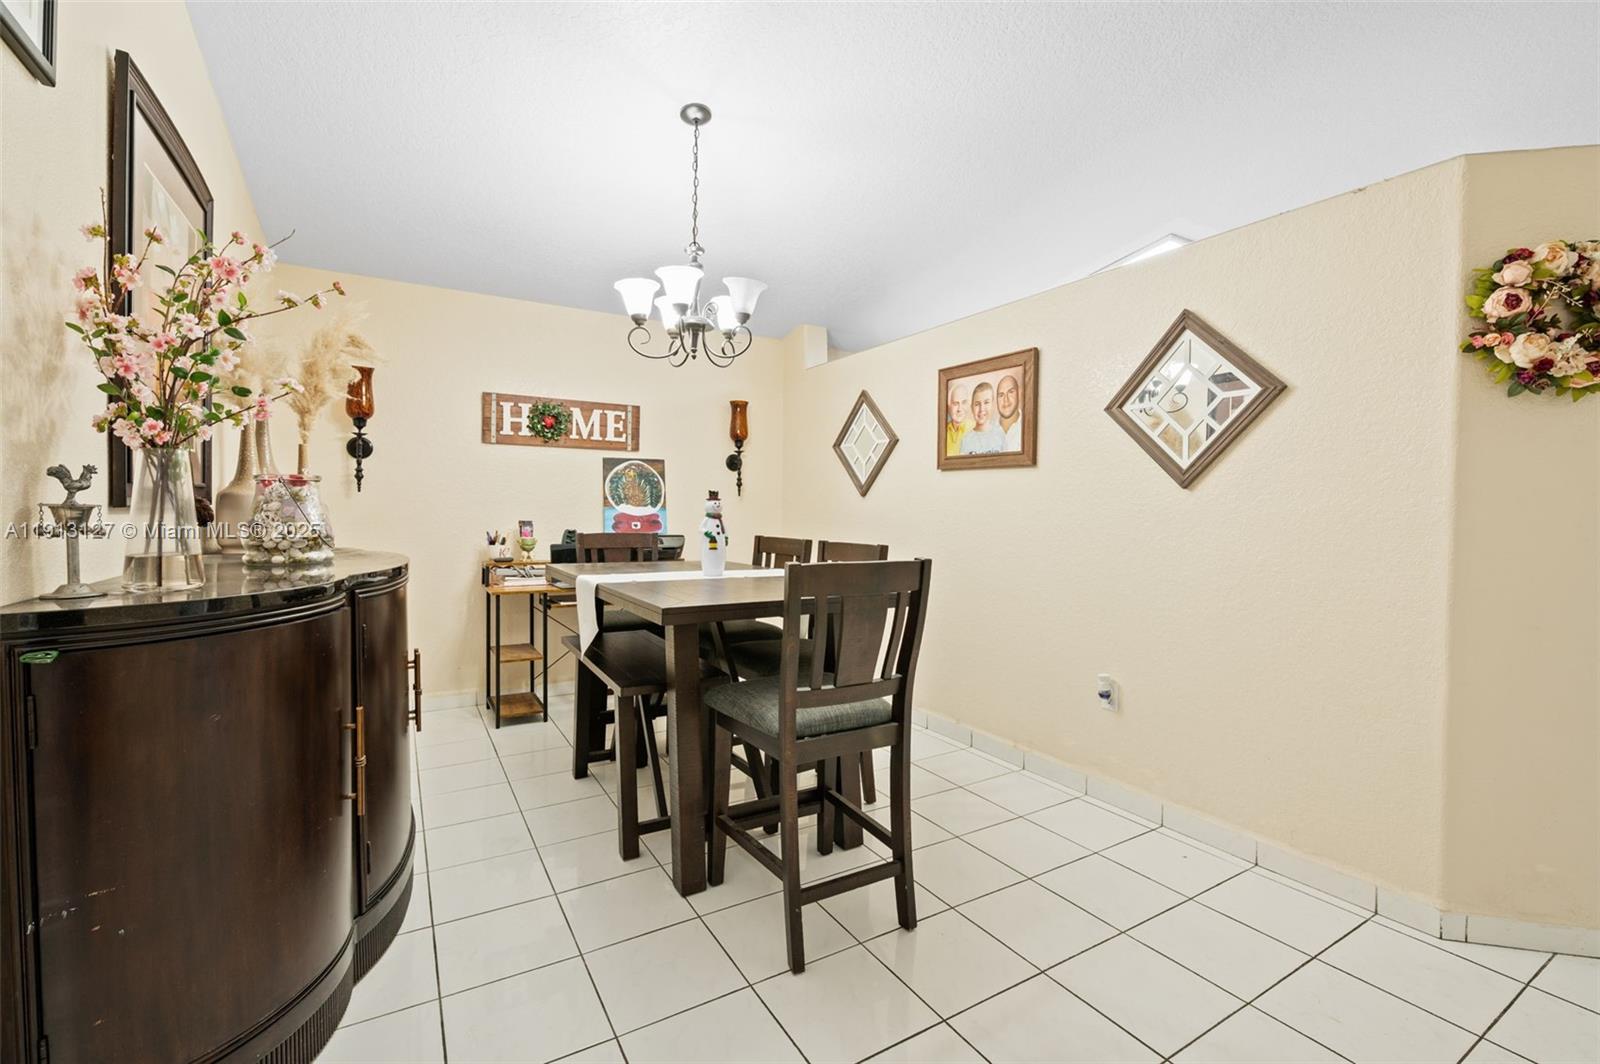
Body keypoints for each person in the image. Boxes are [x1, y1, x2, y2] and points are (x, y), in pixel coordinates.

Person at [959, 381, 1007, 454]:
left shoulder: (999, 434)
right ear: (972, 408)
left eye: (986, 402)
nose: (981, 409)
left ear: (993, 405)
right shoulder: (966, 440)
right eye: (977, 404)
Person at [996, 373, 1022, 451]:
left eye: (1011, 392)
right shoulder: (988, 429)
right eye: (1001, 395)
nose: (1006, 400)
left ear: (1019, 394)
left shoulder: (1028, 426)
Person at [944, 382, 971, 456]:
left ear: (968, 405)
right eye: (956, 403)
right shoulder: (943, 431)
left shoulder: (974, 428)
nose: (959, 409)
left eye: (964, 403)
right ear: (949, 407)